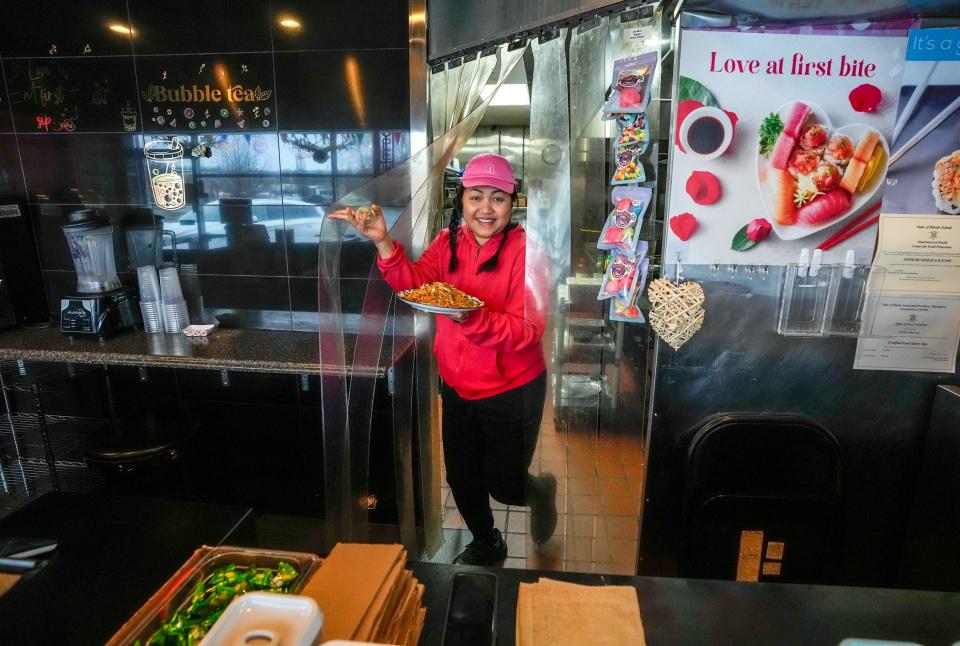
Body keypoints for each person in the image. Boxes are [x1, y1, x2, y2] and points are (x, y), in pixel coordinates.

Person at [329, 153, 557, 566]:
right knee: (461, 476)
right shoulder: (447, 242)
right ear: (461, 201)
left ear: (513, 202)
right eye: (475, 197)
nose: (486, 209)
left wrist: (471, 318)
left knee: (504, 485)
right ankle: (488, 541)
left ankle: (540, 491)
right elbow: (416, 285)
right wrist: (383, 241)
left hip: (513, 387)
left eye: (498, 198)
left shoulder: (529, 253)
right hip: (456, 383)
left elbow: (528, 332)